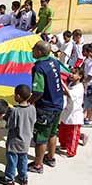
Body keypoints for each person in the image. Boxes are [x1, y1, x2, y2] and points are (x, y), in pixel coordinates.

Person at [28, 41, 64, 174]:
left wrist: (30, 102)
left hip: (46, 108)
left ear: (39, 52)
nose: (32, 50)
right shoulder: (53, 62)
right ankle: (50, 158)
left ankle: (38, 165)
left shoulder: (39, 67)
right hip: (58, 103)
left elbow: (38, 91)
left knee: (41, 137)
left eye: (34, 49)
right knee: (53, 132)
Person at [0, 85, 37, 185]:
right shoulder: (32, 108)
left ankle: (9, 179)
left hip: (15, 141)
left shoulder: (15, 111)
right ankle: (23, 178)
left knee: (12, 161)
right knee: (23, 159)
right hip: (26, 141)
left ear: (18, 96)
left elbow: (10, 125)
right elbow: (34, 121)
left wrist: (3, 118)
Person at [59, 67, 86, 157]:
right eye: (71, 72)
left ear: (80, 76)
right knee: (63, 132)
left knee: (73, 134)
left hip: (74, 116)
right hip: (67, 113)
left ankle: (71, 151)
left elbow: (69, 93)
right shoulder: (71, 84)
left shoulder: (79, 87)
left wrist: (62, 83)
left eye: (74, 73)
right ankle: (63, 145)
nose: (71, 74)